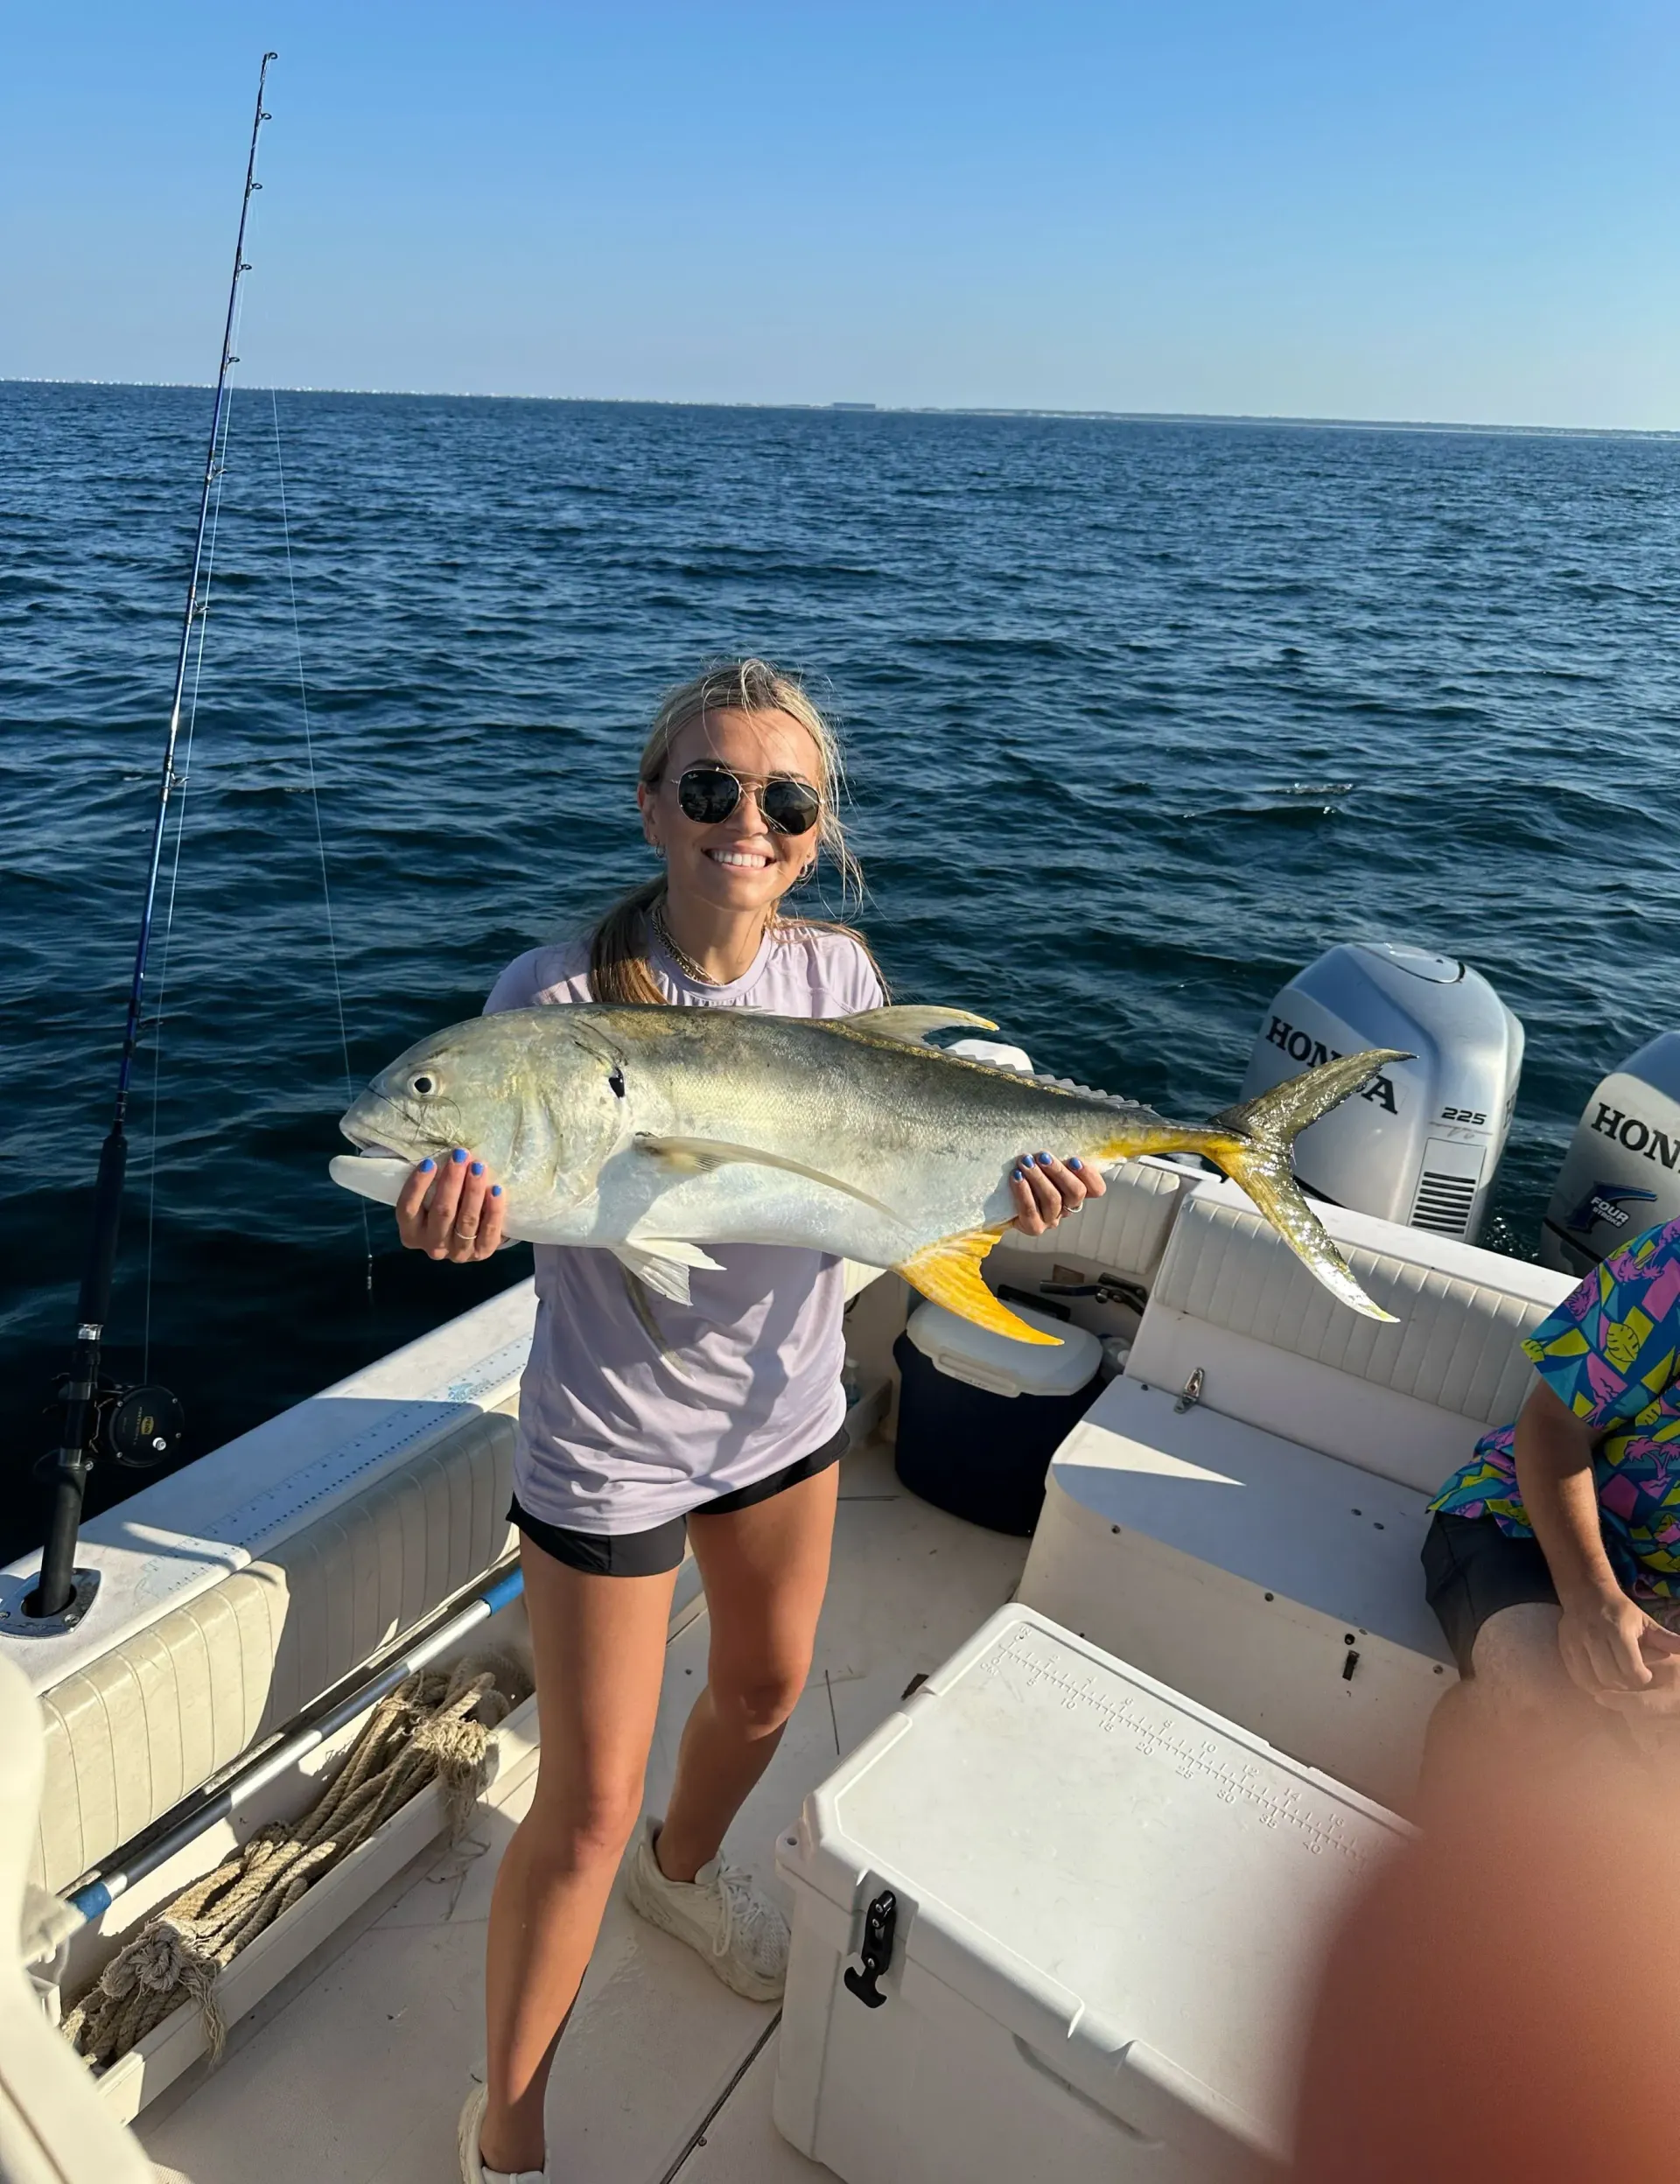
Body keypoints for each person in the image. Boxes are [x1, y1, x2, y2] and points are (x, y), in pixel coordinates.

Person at [391, 659, 1105, 2184]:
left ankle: (687, 1873)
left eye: (784, 800)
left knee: (769, 1698)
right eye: (709, 789)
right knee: (578, 1810)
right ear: (651, 807)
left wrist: (1008, 1187)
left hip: (784, 1411)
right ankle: (505, 2133)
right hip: (610, 1444)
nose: (746, 821)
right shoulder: (557, 998)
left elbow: (883, 1166)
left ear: (815, 827)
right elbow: (519, 1170)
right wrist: (468, 1217)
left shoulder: (839, 980)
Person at [1422, 1215, 1680, 1773]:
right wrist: (1590, 1596)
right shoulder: (1674, 1263)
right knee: (1545, 1715)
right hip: (1529, 1517)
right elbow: (1552, 1428)